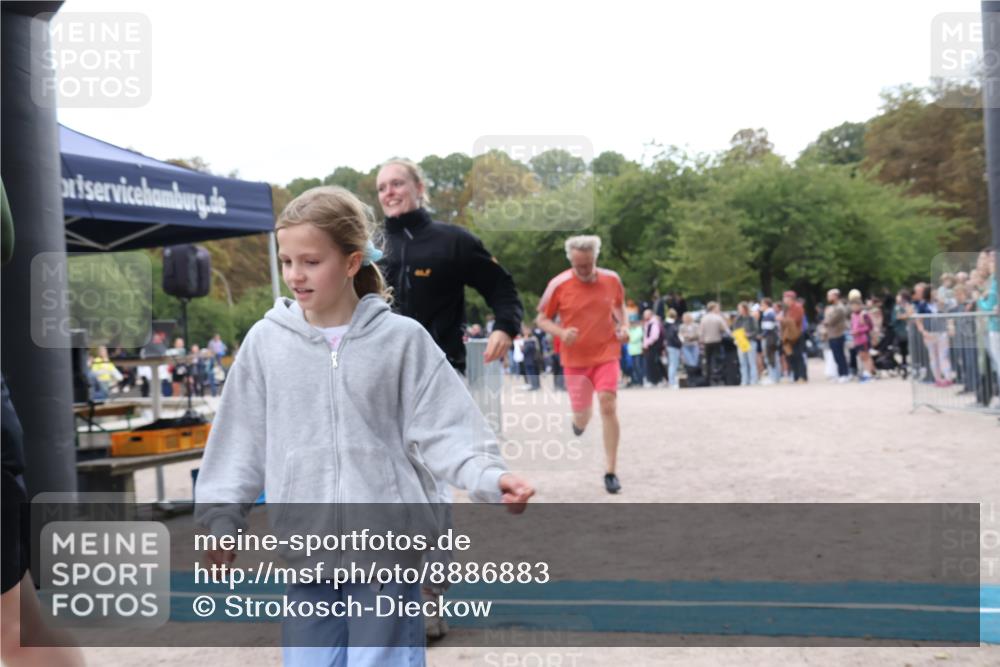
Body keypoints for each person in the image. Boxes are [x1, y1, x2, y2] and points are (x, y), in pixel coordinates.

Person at [194, 186, 534, 666]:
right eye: (287, 260)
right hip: (305, 555)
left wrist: (489, 476)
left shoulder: (402, 340)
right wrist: (222, 519)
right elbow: (240, 441)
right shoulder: (266, 344)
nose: (295, 275)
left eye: (310, 261)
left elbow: (447, 428)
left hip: (388, 559)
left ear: (352, 262)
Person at [376, 159, 522, 374]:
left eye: (397, 184)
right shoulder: (369, 248)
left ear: (419, 188)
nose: (388, 192)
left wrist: (505, 327)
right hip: (381, 371)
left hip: (442, 369)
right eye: (381, 188)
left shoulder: (453, 241)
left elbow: (500, 286)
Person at [536, 235, 628, 494]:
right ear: (571, 262)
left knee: (608, 404)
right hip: (575, 359)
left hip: (606, 352)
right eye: (579, 266)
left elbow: (620, 309)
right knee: (583, 414)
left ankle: (610, 471)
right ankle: (579, 423)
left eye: (588, 265)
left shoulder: (612, 280)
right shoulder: (558, 284)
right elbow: (541, 319)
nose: (585, 271)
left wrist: (624, 327)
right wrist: (561, 332)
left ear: (595, 258)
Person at [698, 302, 730, 386]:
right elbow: (725, 329)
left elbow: (701, 331)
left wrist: (701, 340)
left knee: (708, 360)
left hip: (707, 341)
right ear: (713, 308)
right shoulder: (718, 318)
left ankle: (708, 378)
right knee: (717, 360)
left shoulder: (704, 318)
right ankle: (717, 377)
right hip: (716, 340)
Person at [822, 289, 850, 383]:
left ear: (835, 296)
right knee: (836, 355)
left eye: (829, 296)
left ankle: (844, 374)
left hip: (838, 334)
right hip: (832, 334)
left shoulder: (839, 308)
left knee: (840, 355)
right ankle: (840, 374)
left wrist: (826, 319)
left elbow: (830, 321)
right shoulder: (834, 307)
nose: (828, 298)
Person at [848, 292, 876, 383]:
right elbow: (853, 326)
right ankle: (866, 372)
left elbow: (869, 327)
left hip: (863, 338)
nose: (853, 307)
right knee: (861, 356)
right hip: (857, 340)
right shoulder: (853, 315)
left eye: (855, 305)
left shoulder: (863, 314)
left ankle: (869, 374)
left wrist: (858, 331)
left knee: (866, 356)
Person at [781, 291, 807, 383]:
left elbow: (795, 320)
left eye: (785, 298)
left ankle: (802, 376)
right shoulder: (788, 309)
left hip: (797, 335)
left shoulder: (797, 307)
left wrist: (783, 320)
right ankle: (796, 376)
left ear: (791, 299)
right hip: (790, 336)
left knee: (798, 355)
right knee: (791, 356)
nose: (784, 300)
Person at [732, 302, 759, 386]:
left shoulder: (751, 318)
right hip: (741, 342)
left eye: (740, 308)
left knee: (752, 362)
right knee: (743, 362)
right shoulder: (737, 319)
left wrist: (749, 334)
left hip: (750, 341)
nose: (739, 310)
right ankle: (744, 380)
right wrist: (736, 337)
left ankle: (753, 380)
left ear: (745, 308)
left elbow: (756, 330)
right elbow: (734, 330)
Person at [641, 308, 664, 387]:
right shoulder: (647, 323)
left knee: (654, 363)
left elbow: (654, 336)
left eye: (645, 314)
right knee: (650, 363)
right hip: (648, 346)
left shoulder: (654, 323)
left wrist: (647, 344)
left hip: (653, 346)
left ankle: (658, 380)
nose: (644, 316)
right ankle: (652, 380)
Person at [662, 308, 683, 389]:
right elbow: (672, 336)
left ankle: (671, 381)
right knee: (674, 364)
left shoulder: (666, 324)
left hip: (669, 346)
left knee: (672, 364)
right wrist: (679, 343)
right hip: (674, 346)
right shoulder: (672, 325)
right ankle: (672, 382)